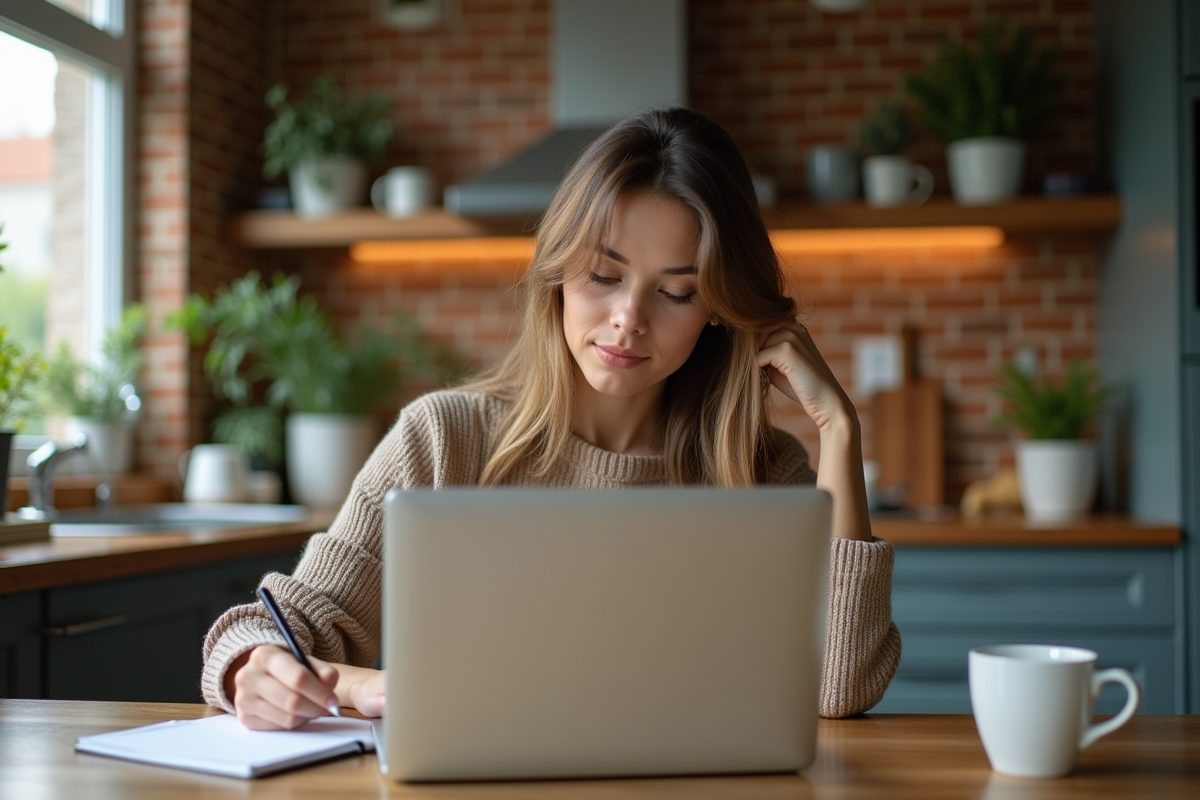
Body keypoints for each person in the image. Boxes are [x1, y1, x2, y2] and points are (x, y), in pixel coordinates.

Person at [202, 107, 901, 730]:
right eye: (604, 276)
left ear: (717, 310)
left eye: (677, 292)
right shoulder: (444, 440)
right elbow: (286, 624)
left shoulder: (762, 472)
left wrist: (838, 428)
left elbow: (837, 689)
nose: (629, 320)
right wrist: (252, 669)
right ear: (559, 273)